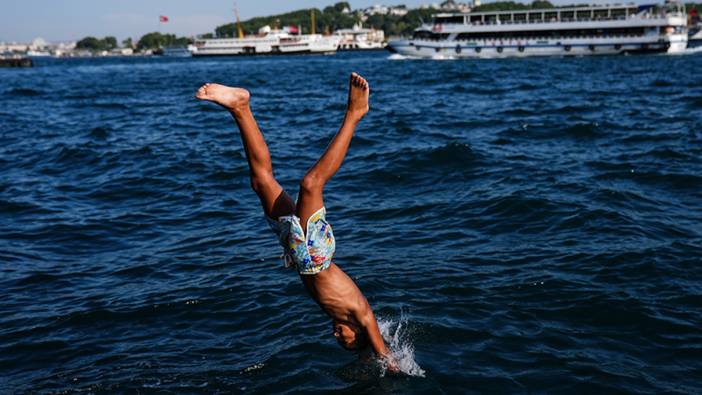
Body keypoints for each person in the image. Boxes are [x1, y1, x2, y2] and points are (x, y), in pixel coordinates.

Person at [195, 73, 395, 367]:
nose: (338, 339)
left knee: (261, 182)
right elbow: (383, 350)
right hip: (315, 255)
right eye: (347, 342)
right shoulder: (361, 315)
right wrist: (387, 362)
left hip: (296, 251)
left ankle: (240, 107)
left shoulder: (337, 315)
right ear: (360, 334)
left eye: (340, 344)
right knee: (311, 184)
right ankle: (355, 114)